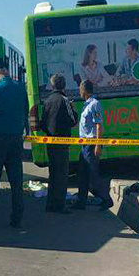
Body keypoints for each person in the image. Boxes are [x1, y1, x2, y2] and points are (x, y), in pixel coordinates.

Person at [0, 58, 29, 228]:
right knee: (16, 181)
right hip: (16, 139)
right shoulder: (20, 88)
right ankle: (17, 218)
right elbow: (26, 111)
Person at [73, 80, 114, 211]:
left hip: (91, 144)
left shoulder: (95, 104)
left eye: (80, 89)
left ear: (84, 90)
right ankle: (81, 201)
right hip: (84, 145)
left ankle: (106, 199)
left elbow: (98, 125)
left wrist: (98, 144)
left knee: (93, 174)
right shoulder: (86, 105)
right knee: (82, 174)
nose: (79, 91)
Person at [41, 73, 78, 214]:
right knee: (62, 175)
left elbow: (43, 124)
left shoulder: (48, 100)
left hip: (50, 142)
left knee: (53, 173)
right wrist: (73, 108)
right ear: (64, 85)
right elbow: (73, 120)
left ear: (52, 85)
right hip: (62, 143)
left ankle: (50, 204)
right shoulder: (65, 100)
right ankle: (60, 206)